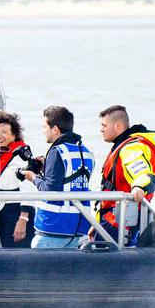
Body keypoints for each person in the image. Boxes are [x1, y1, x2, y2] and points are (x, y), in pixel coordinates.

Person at [20, 106, 95, 249]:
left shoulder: (57, 151)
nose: (43, 131)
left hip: (53, 228)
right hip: (79, 228)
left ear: (55, 129)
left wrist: (33, 177)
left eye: (44, 126)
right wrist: (46, 166)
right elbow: (71, 181)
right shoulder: (87, 152)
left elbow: (50, 189)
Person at [97, 105, 155, 246]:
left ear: (117, 125)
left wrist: (139, 186)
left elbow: (143, 174)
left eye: (104, 125)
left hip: (121, 221)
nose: (101, 129)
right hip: (115, 218)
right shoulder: (123, 145)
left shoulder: (131, 148)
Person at [0, 110, 36, 248]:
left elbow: (28, 188)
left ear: (14, 135)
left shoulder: (20, 156)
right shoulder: (0, 154)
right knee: (7, 250)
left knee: (18, 255)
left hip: (16, 211)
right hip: (2, 210)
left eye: (3, 132)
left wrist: (23, 219)